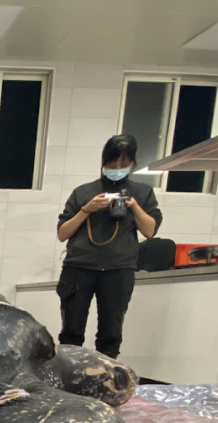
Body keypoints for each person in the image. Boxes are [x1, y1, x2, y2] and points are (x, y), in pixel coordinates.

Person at [55, 134, 162, 360]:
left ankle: (106, 377)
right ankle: (68, 375)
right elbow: (62, 234)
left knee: (111, 334)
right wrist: (86, 210)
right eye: (112, 165)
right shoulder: (83, 192)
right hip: (79, 268)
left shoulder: (143, 193)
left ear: (132, 163)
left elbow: (149, 231)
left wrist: (133, 206)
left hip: (118, 270)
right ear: (104, 162)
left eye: (123, 164)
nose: (117, 169)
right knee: (71, 332)